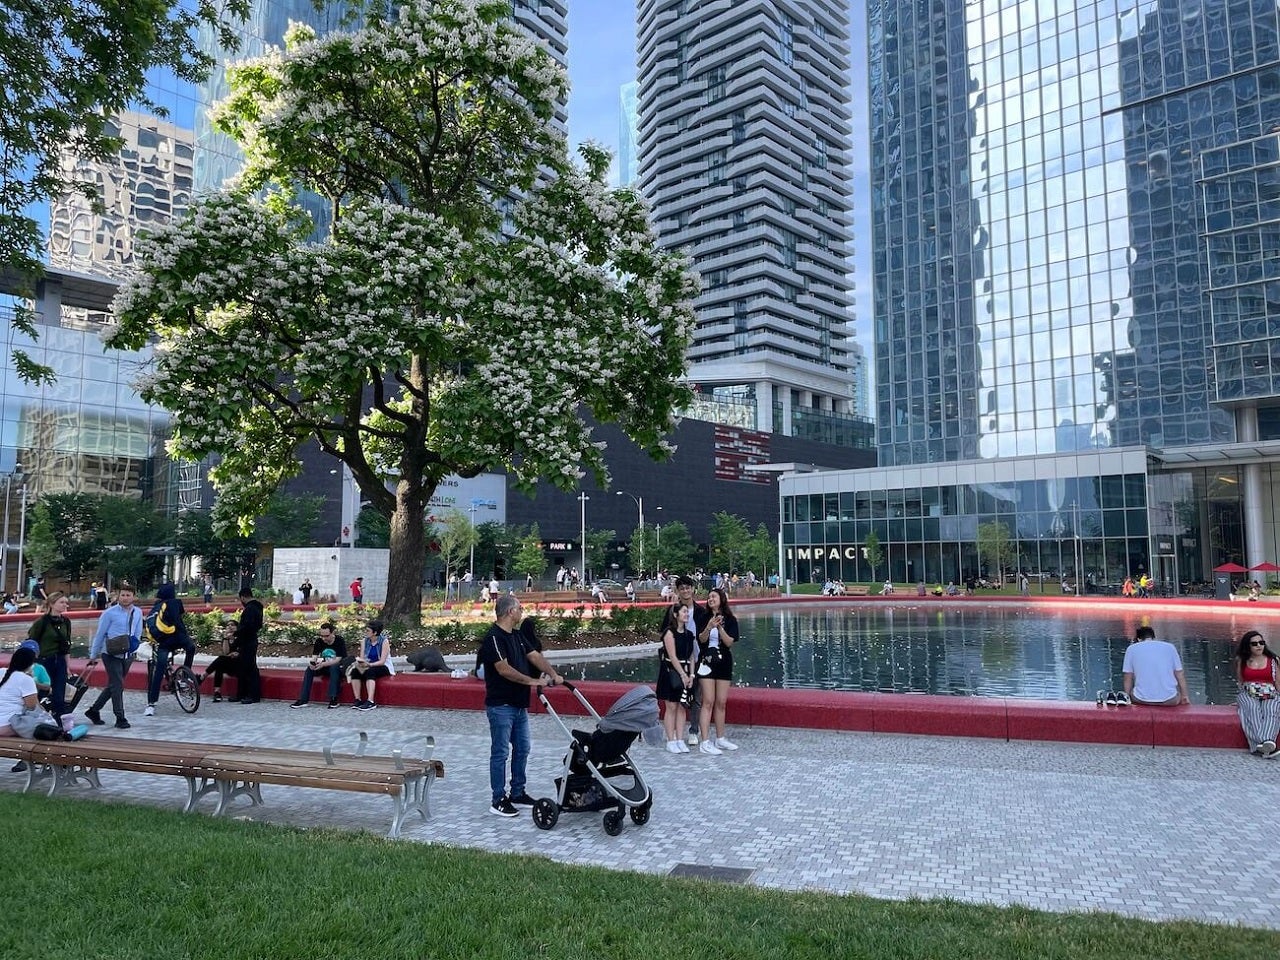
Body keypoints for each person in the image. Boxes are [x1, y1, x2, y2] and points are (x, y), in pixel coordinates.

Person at [479, 595, 562, 817]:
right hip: (501, 705)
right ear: (509, 612)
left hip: (519, 705)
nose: (522, 611)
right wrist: (533, 681)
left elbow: (534, 656)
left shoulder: (517, 636)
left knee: (523, 748)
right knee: (500, 752)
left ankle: (518, 792)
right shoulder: (494, 638)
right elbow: (504, 669)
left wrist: (553, 673)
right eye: (519, 608)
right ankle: (498, 799)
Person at [657, 575, 705, 754]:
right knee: (672, 705)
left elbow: (694, 652)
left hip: (690, 666)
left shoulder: (700, 614)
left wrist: (691, 674)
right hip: (672, 669)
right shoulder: (670, 627)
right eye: (682, 588)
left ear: (692, 589)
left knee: (688, 701)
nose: (686, 591)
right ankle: (671, 739)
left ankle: (685, 735)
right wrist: (684, 673)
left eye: (688, 587)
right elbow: (670, 651)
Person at [85, 581, 143, 729]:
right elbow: (100, 634)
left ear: (133, 597)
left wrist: (134, 648)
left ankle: (93, 710)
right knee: (118, 685)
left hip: (127, 654)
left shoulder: (138, 612)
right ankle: (120, 717)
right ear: (118, 596)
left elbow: (138, 632)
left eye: (128, 595)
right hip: (110, 653)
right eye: (122, 595)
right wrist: (93, 654)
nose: (124, 598)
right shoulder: (109, 613)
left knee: (113, 685)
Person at [695, 587, 739, 755]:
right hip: (707, 662)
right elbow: (701, 639)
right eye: (709, 597)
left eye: (713, 596)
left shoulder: (730, 619)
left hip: (724, 662)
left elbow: (729, 642)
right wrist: (709, 626)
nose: (710, 599)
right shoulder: (703, 617)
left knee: (721, 702)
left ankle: (720, 738)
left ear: (721, 599)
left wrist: (719, 627)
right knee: (708, 701)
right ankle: (705, 741)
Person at [143, 582, 196, 717]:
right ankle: (184, 677)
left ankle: (151, 704)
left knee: (159, 669)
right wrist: (185, 636)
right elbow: (179, 620)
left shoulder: (155, 608)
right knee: (191, 647)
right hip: (178, 638)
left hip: (163, 641)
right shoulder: (174, 602)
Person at [27, 591, 72, 719]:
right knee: (42, 690)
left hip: (60, 661)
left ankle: (58, 719)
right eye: (61, 602)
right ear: (52, 604)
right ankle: (36, 716)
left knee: (59, 693)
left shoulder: (66, 622)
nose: (65, 605)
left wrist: (68, 666)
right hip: (44, 661)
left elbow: (66, 646)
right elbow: (31, 642)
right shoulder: (41, 622)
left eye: (66, 602)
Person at [1235, 630, 1280, 757]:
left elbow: (1278, 682)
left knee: (1271, 709)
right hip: (1248, 692)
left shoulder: (1273, 660)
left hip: (1270, 692)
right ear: (1247, 646)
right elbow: (1241, 682)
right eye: (1254, 644)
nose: (1259, 646)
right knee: (1252, 709)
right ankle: (1267, 743)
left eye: (1261, 642)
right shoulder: (1241, 660)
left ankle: (1260, 745)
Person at [1122, 626, 1190, 706]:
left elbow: (1128, 676)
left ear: (1139, 639)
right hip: (1169, 700)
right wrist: (1185, 696)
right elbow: (1179, 674)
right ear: (1153, 637)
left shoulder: (1131, 649)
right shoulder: (1170, 647)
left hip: (1140, 699)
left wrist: (1126, 697)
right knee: (1176, 694)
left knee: (1133, 693)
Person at [290, 621, 349, 709]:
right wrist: (312, 663)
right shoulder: (319, 641)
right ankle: (303, 699)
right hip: (324, 666)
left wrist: (323, 664)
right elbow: (314, 656)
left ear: (333, 633)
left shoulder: (339, 640)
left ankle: (333, 699)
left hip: (338, 668)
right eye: (322, 636)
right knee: (310, 669)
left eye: (326, 636)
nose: (324, 638)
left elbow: (338, 659)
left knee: (334, 667)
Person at [346, 619, 393, 711]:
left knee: (369, 671)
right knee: (355, 671)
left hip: (383, 667)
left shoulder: (384, 641)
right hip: (368, 665)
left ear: (375, 633)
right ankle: (357, 699)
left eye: (368, 631)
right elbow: (362, 657)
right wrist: (361, 663)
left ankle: (371, 701)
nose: (366, 632)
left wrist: (369, 665)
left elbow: (382, 661)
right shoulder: (365, 641)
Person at [0, 646, 40, 738]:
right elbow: (32, 707)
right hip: (8, 725)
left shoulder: (1, 671)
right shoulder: (26, 679)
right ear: (30, 664)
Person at [233, 588, 264, 704]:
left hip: (247, 641)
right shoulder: (258, 607)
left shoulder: (249, 609)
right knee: (246, 667)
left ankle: (252, 695)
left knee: (249, 669)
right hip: (252, 639)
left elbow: (246, 627)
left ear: (243, 597)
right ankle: (242, 694)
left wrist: (236, 634)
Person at [198, 619, 240, 702]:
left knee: (221, 659)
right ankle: (217, 692)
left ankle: (203, 677)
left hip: (239, 665)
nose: (230, 627)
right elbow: (226, 652)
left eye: (232, 625)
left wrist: (237, 653)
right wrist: (225, 638)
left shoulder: (240, 637)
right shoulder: (227, 639)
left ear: (237, 627)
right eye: (228, 625)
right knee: (219, 666)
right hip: (230, 664)